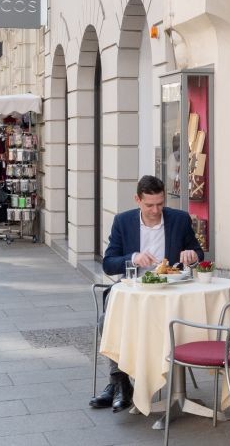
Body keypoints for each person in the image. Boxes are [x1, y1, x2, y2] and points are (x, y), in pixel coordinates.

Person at [91, 175, 205, 412]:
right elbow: (109, 263)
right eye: (150, 205)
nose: (156, 210)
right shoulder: (123, 222)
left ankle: (117, 388)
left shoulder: (179, 219)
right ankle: (121, 382)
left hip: (169, 294)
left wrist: (192, 256)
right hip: (135, 292)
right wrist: (132, 258)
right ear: (137, 200)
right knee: (106, 319)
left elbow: (197, 252)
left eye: (160, 204)